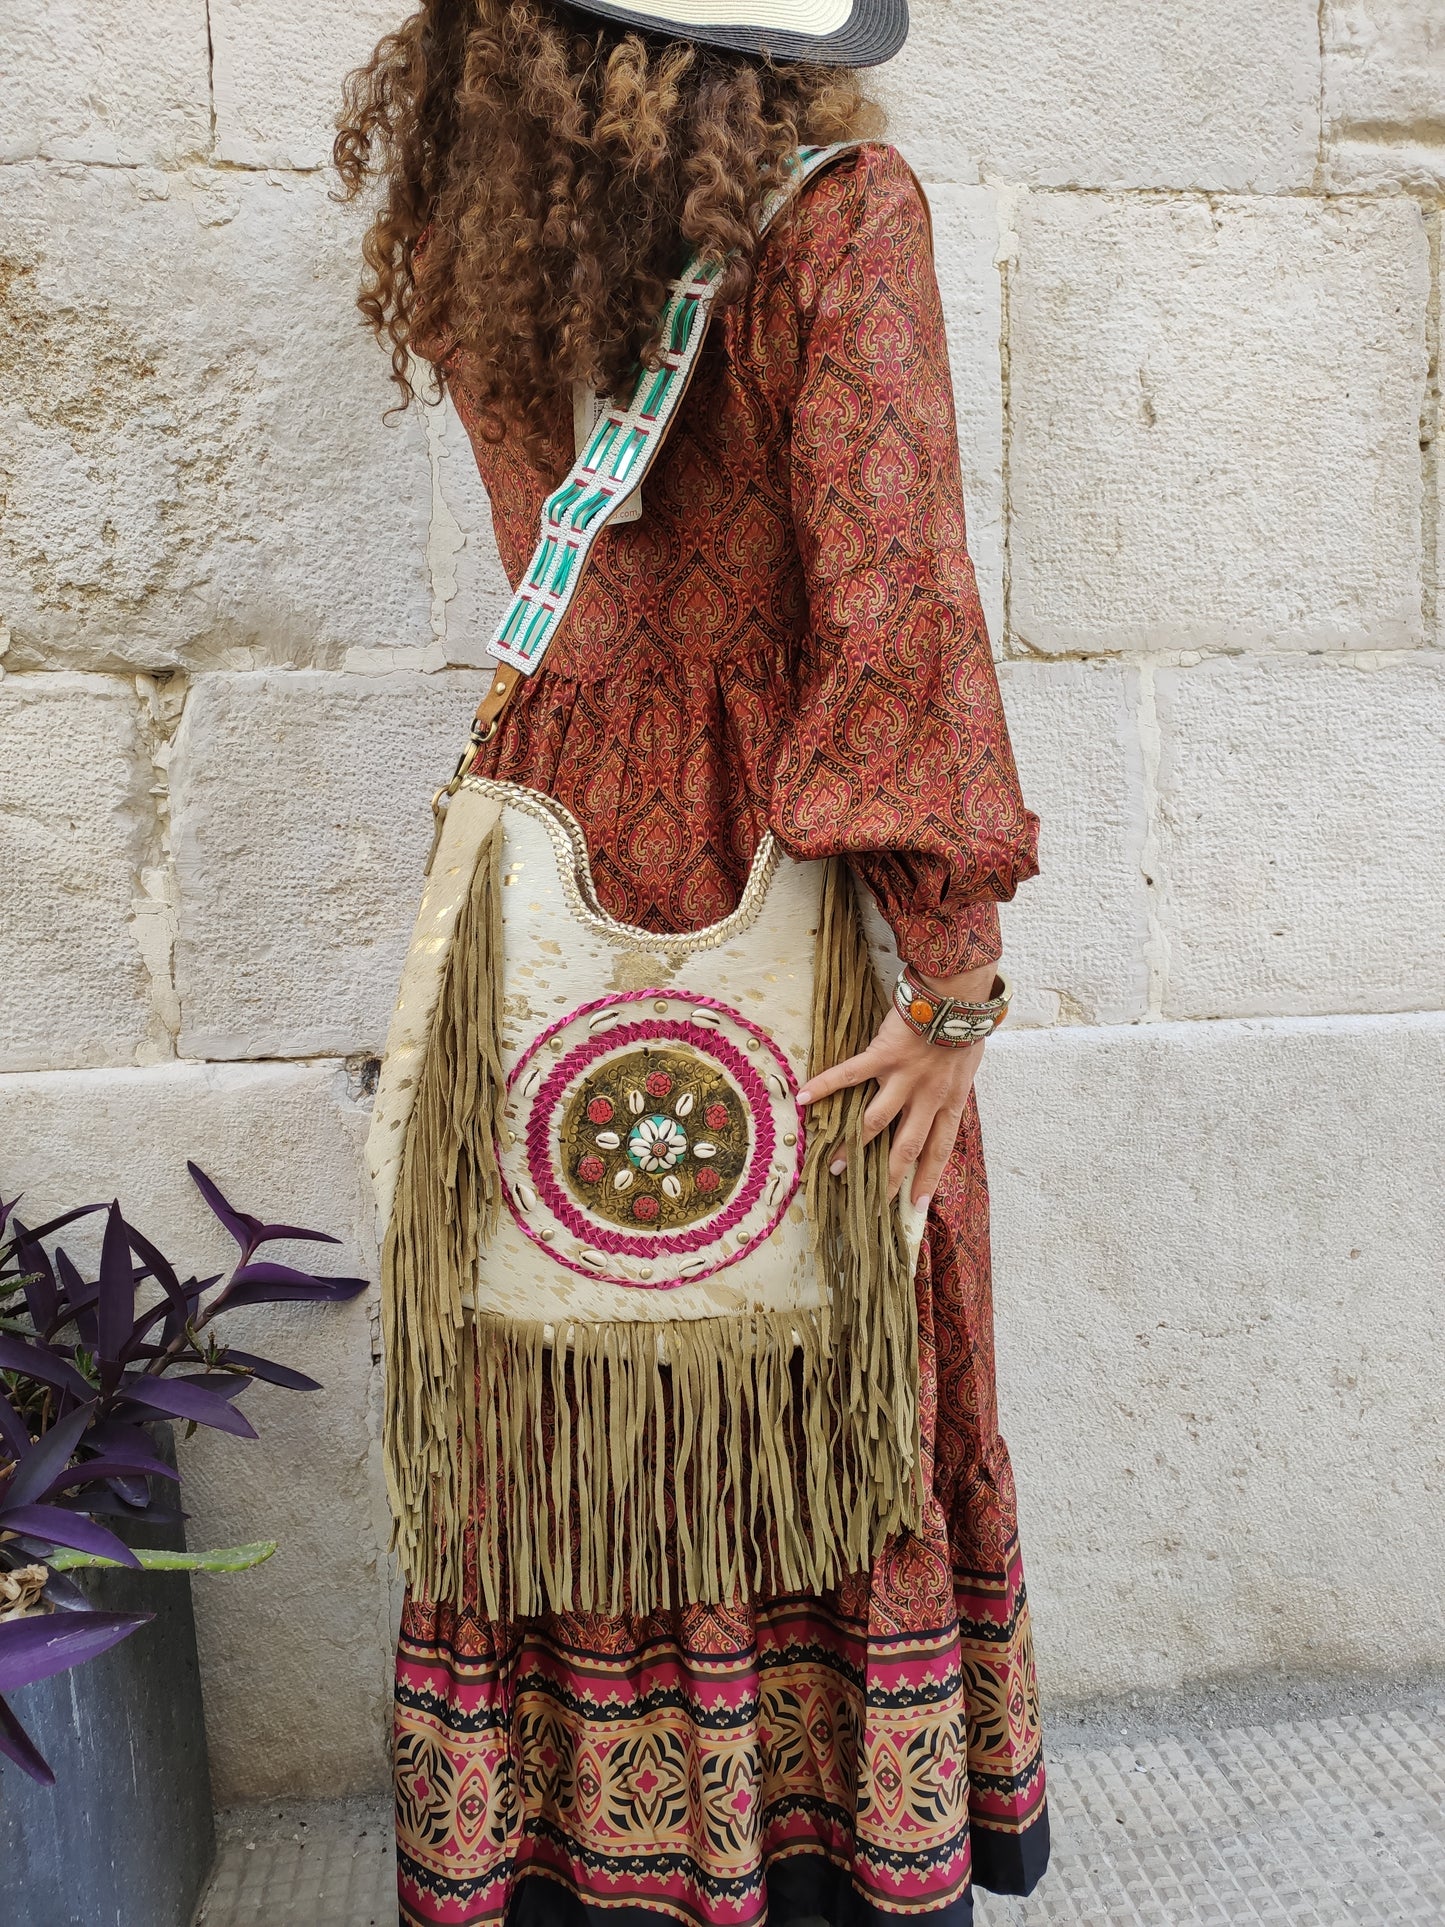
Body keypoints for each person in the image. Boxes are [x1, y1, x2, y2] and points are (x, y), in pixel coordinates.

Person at [337, 2, 1047, 1920]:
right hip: (780, 883)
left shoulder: (489, 226)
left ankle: (572, 1849)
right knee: (809, 1323)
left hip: (552, 867)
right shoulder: (837, 209)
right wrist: (955, 968)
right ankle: (811, 1846)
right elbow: (892, 608)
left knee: (562, 1313)